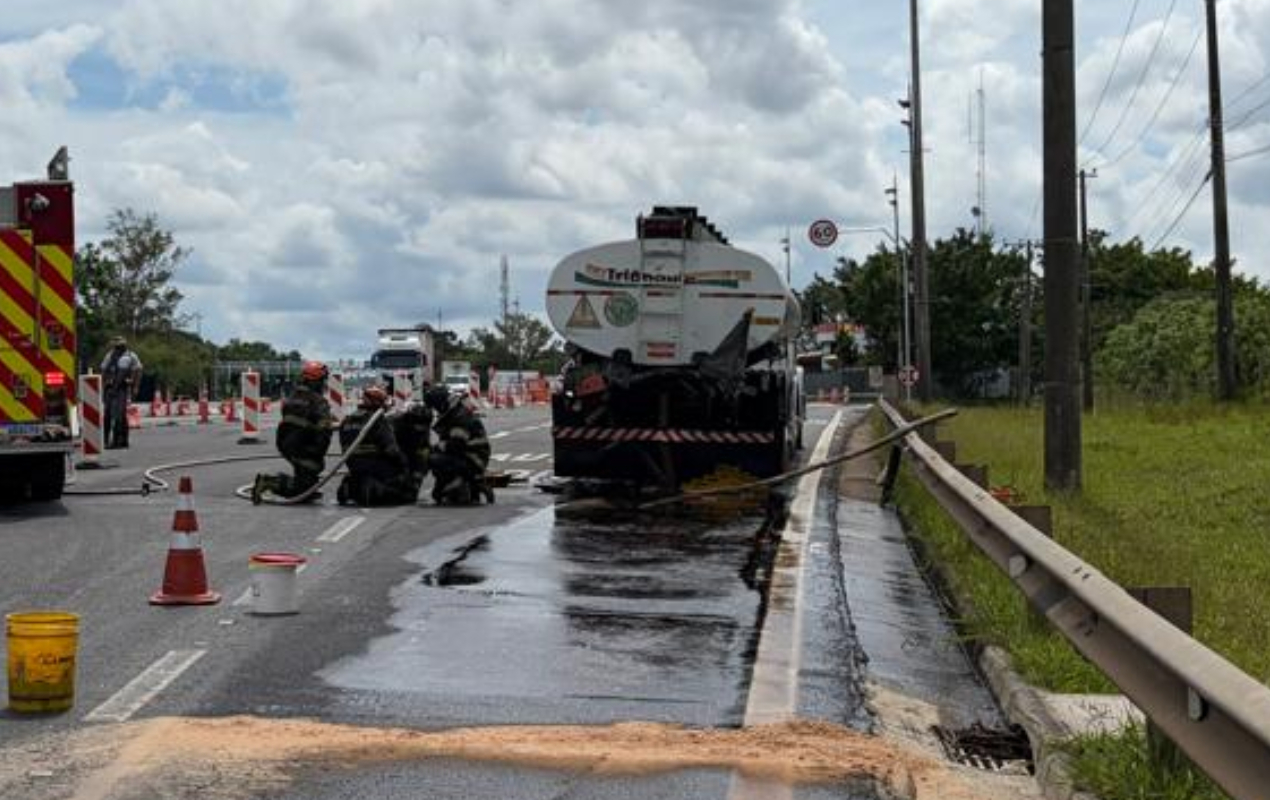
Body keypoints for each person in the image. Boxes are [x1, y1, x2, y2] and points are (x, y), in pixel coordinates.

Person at [251, 361, 333, 504]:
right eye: (322, 381)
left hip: (285, 443)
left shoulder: (291, 398)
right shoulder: (318, 402)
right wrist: (319, 451)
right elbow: (324, 431)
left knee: (307, 477)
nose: (323, 384)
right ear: (315, 382)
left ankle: (305, 487)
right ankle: (269, 483)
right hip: (304, 447)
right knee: (309, 477)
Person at [336, 385, 417, 506]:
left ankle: (350, 487)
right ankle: (379, 490)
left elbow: (344, 446)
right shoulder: (378, 420)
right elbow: (391, 450)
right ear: (378, 402)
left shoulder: (348, 420)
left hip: (354, 465)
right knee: (403, 476)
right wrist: (403, 462)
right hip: (376, 466)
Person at [424, 385, 494, 505]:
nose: (435, 411)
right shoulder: (455, 413)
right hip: (469, 456)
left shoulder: (459, 417)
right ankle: (469, 486)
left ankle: (471, 482)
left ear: (441, 404)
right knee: (438, 494)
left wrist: (435, 448)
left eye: (435, 407)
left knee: (434, 459)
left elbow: (456, 446)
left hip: (474, 459)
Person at [101, 336, 142, 449]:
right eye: (116, 347)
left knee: (120, 416)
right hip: (110, 388)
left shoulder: (131, 356)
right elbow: (104, 370)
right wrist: (103, 386)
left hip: (122, 388)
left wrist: (135, 387)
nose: (118, 349)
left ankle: (120, 440)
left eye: (120, 346)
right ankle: (105, 440)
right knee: (107, 415)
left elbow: (138, 370)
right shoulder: (109, 356)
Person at [391, 400, 434, 496]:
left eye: (424, 424)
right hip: (398, 448)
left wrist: (419, 472)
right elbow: (388, 441)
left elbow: (425, 445)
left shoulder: (425, 427)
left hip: (414, 450)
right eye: (418, 423)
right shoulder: (396, 423)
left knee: (427, 454)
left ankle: (416, 481)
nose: (420, 427)